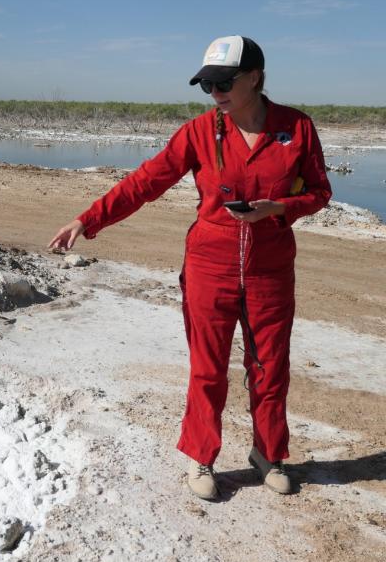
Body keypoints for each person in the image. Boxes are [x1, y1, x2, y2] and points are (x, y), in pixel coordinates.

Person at [49, 35, 332, 501]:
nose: (215, 91)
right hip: (210, 264)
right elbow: (146, 181)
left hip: (270, 269)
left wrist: (277, 208)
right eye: (207, 83)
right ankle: (203, 457)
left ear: (255, 78)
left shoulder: (296, 128)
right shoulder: (199, 132)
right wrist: (88, 219)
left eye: (224, 81)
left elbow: (320, 192)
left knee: (270, 366)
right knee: (208, 368)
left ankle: (268, 454)